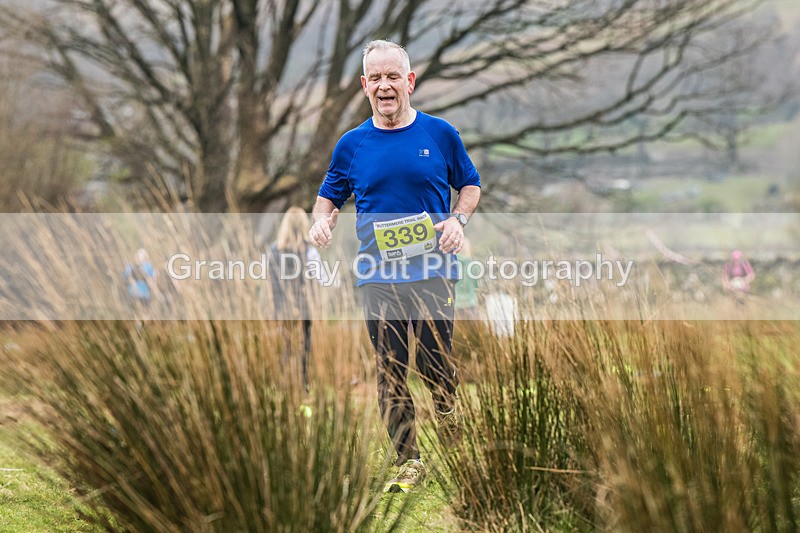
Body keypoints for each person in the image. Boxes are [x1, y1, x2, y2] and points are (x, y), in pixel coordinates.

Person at [309, 40, 481, 493]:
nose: (385, 86)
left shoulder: (440, 134)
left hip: (432, 272)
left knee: (435, 367)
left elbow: (470, 185)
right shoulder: (351, 145)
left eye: (393, 77)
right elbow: (329, 195)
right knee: (389, 370)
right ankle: (410, 462)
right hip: (375, 276)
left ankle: (449, 414)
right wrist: (321, 222)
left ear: (409, 82)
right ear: (366, 87)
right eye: (376, 79)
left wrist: (458, 223)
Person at [267, 207, 328, 393]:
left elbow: (271, 283)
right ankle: (304, 388)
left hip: (281, 309)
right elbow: (323, 278)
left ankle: (281, 388)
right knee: (304, 348)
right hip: (304, 308)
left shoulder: (273, 251)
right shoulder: (309, 252)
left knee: (285, 348)